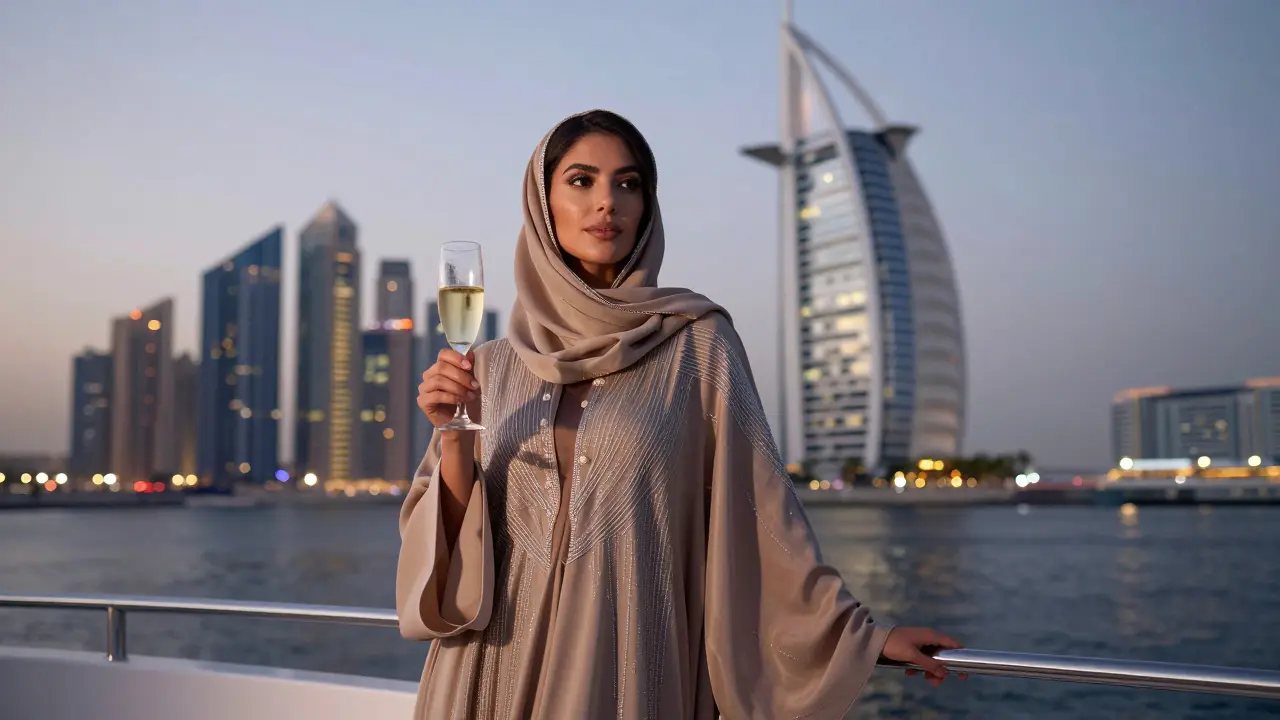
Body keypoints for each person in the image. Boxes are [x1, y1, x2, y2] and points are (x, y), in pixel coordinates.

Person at [397, 109, 961, 719]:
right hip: (483, 675)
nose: (607, 202)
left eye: (628, 183)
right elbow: (446, 554)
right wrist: (454, 435)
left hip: (622, 676)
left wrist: (863, 638)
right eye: (581, 181)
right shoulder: (492, 364)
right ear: (541, 203)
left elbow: (763, 514)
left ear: (648, 205)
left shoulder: (698, 344)